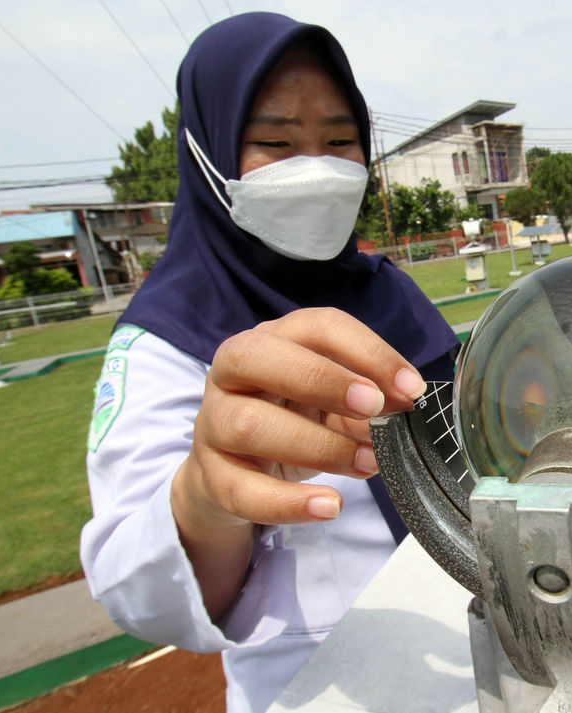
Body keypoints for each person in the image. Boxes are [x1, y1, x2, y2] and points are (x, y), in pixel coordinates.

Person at [80, 13, 458, 713]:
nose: (316, 168)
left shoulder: (391, 293)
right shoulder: (165, 338)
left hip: (480, 657)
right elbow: (137, 590)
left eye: (340, 141)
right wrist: (204, 496)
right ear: (208, 152)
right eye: (277, 144)